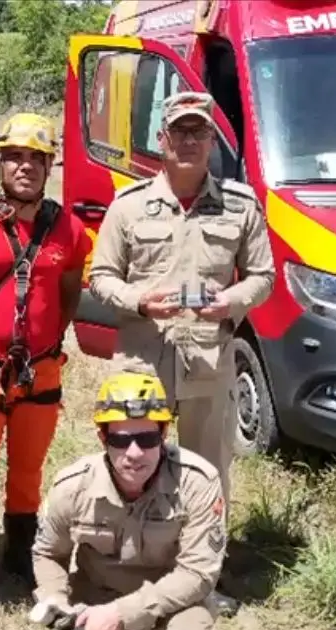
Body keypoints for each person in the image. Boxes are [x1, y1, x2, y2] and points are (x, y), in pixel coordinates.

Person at [88, 92, 275, 513]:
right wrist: (139, 301)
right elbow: (101, 277)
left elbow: (264, 276)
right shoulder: (129, 205)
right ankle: (132, 553)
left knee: (206, 472)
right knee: (130, 464)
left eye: (199, 131)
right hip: (142, 358)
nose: (189, 140)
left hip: (209, 358)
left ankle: (204, 566)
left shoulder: (240, 206)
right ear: (161, 138)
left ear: (212, 140)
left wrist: (229, 301)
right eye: (180, 131)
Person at [0, 112, 92, 584]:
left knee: (29, 470)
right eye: (14, 157)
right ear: (0, 163)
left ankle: (19, 555)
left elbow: (69, 292)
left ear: (50, 166)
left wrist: (43, 343)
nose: (25, 166)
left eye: (36, 158)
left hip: (41, 368)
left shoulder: (67, 230)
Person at [30, 372, 226, 630]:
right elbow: (48, 553)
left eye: (147, 439)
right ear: (103, 437)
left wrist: (123, 615)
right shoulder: (72, 486)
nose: (134, 453)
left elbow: (198, 574)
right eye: (121, 440)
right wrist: (57, 598)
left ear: (163, 433)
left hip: (170, 602)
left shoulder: (198, 483)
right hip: (95, 600)